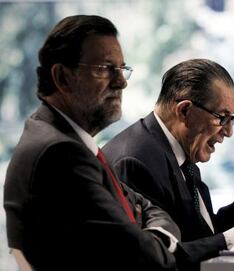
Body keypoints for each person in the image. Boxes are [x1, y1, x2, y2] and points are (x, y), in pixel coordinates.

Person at [3, 15, 180, 270]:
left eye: (122, 68)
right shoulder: (61, 153)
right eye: (105, 69)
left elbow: (145, 206)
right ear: (63, 78)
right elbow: (148, 261)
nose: (122, 82)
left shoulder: (68, 139)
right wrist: (157, 239)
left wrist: (151, 235)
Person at [103, 58, 234, 270]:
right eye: (222, 118)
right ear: (185, 111)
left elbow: (202, 235)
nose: (228, 132)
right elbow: (163, 259)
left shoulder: (178, 151)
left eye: (232, 119)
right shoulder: (135, 161)